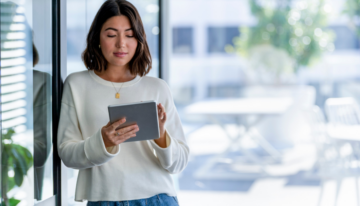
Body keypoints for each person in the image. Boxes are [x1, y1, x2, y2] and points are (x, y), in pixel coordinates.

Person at [57, 0, 189, 205]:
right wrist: (103, 142)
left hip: (157, 198)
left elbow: (179, 163)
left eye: (129, 35)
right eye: (111, 35)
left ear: (139, 40)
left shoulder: (157, 88)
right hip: (103, 200)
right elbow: (67, 154)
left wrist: (161, 135)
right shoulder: (76, 84)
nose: (121, 44)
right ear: (97, 38)